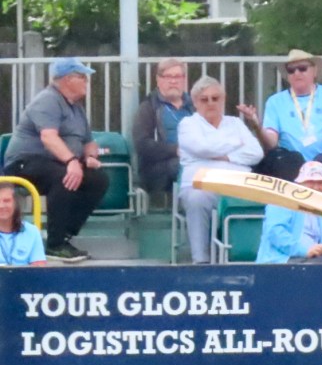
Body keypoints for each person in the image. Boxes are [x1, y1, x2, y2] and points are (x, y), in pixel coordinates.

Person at [2, 57, 110, 263]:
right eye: (82, 77)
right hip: (25, 163)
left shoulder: (77, 108)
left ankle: (65, 235)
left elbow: (89, 142)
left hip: (58, 163)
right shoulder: (48, 100)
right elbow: (48, 137)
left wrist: (89, 157)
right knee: (63, 177)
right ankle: (55, 244)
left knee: (98, 179)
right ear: (67, 79)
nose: (87, 82)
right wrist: (72, 162)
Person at [177, 76, 264, 264]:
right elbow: (202, 148)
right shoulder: (188, 124)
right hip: (201, 185)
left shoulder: (235, 123)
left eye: (215, 98)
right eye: (204, 99)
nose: (211, 103)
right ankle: (201, 261)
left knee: (266, 197)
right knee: (196, 198)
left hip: (238, 184)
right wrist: (236, 143)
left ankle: (253, 257)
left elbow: (256, 153)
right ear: (195, 102)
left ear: (223, 100)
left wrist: (227, 157)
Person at [237, 49, 322, 182]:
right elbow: (271, 144)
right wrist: (257, 126)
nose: (296, 73)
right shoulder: (275, 101)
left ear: (314, 71)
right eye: (291, 70)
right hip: (292, 167)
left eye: (302, 68)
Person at [256, 161, 322, 264]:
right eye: (311, 182)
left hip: (312, 259)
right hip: (281, 260)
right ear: (300, 183)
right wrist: (305, 250)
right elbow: (275, 232)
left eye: (321, 183)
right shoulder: (282, 200)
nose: (316, 187)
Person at [132, 57, 193, 198]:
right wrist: (175, 150)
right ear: (158, 80)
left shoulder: (194, 106)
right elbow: (142, 145)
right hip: (159, 167)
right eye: (168, 77)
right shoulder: (148, 107)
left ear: (184, 79)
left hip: (195, 158)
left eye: (177, 76)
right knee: (186, 167)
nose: (173, 81)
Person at [0, 183, 46, 266]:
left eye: (6, 201)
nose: (1, 206)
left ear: (16, 204)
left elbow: (39, 268)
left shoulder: (31, 231)